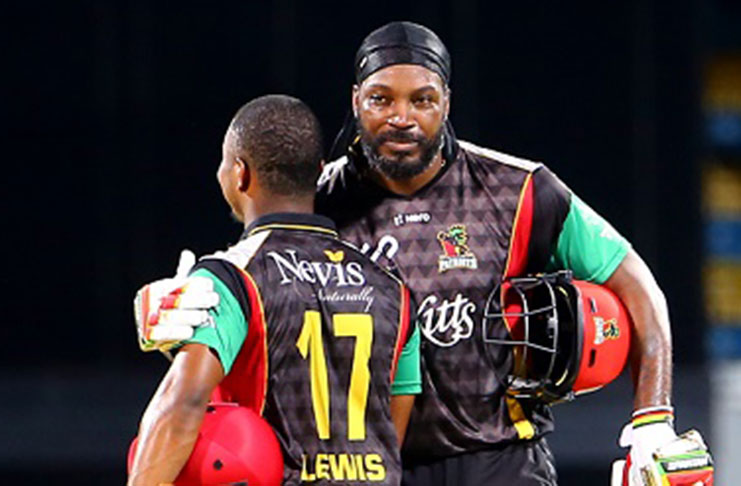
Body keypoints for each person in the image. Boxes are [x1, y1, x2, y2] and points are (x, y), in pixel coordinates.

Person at [138, 23, 711, 486]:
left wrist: (653, 419)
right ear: (356, 101)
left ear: (447, 103)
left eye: (423, 100)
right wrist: (170, 303)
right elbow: (245, 292)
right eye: (382, 99)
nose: (402, 118)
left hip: (501, 462)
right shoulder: (317, 200)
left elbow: (641, 290)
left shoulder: (521, 192)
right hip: (376, 467)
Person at [129, 94, 421, 486]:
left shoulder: (229, 280)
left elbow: (182, 405)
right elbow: (389, 434)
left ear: (239, 173)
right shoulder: (394, 291)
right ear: (319, 173)